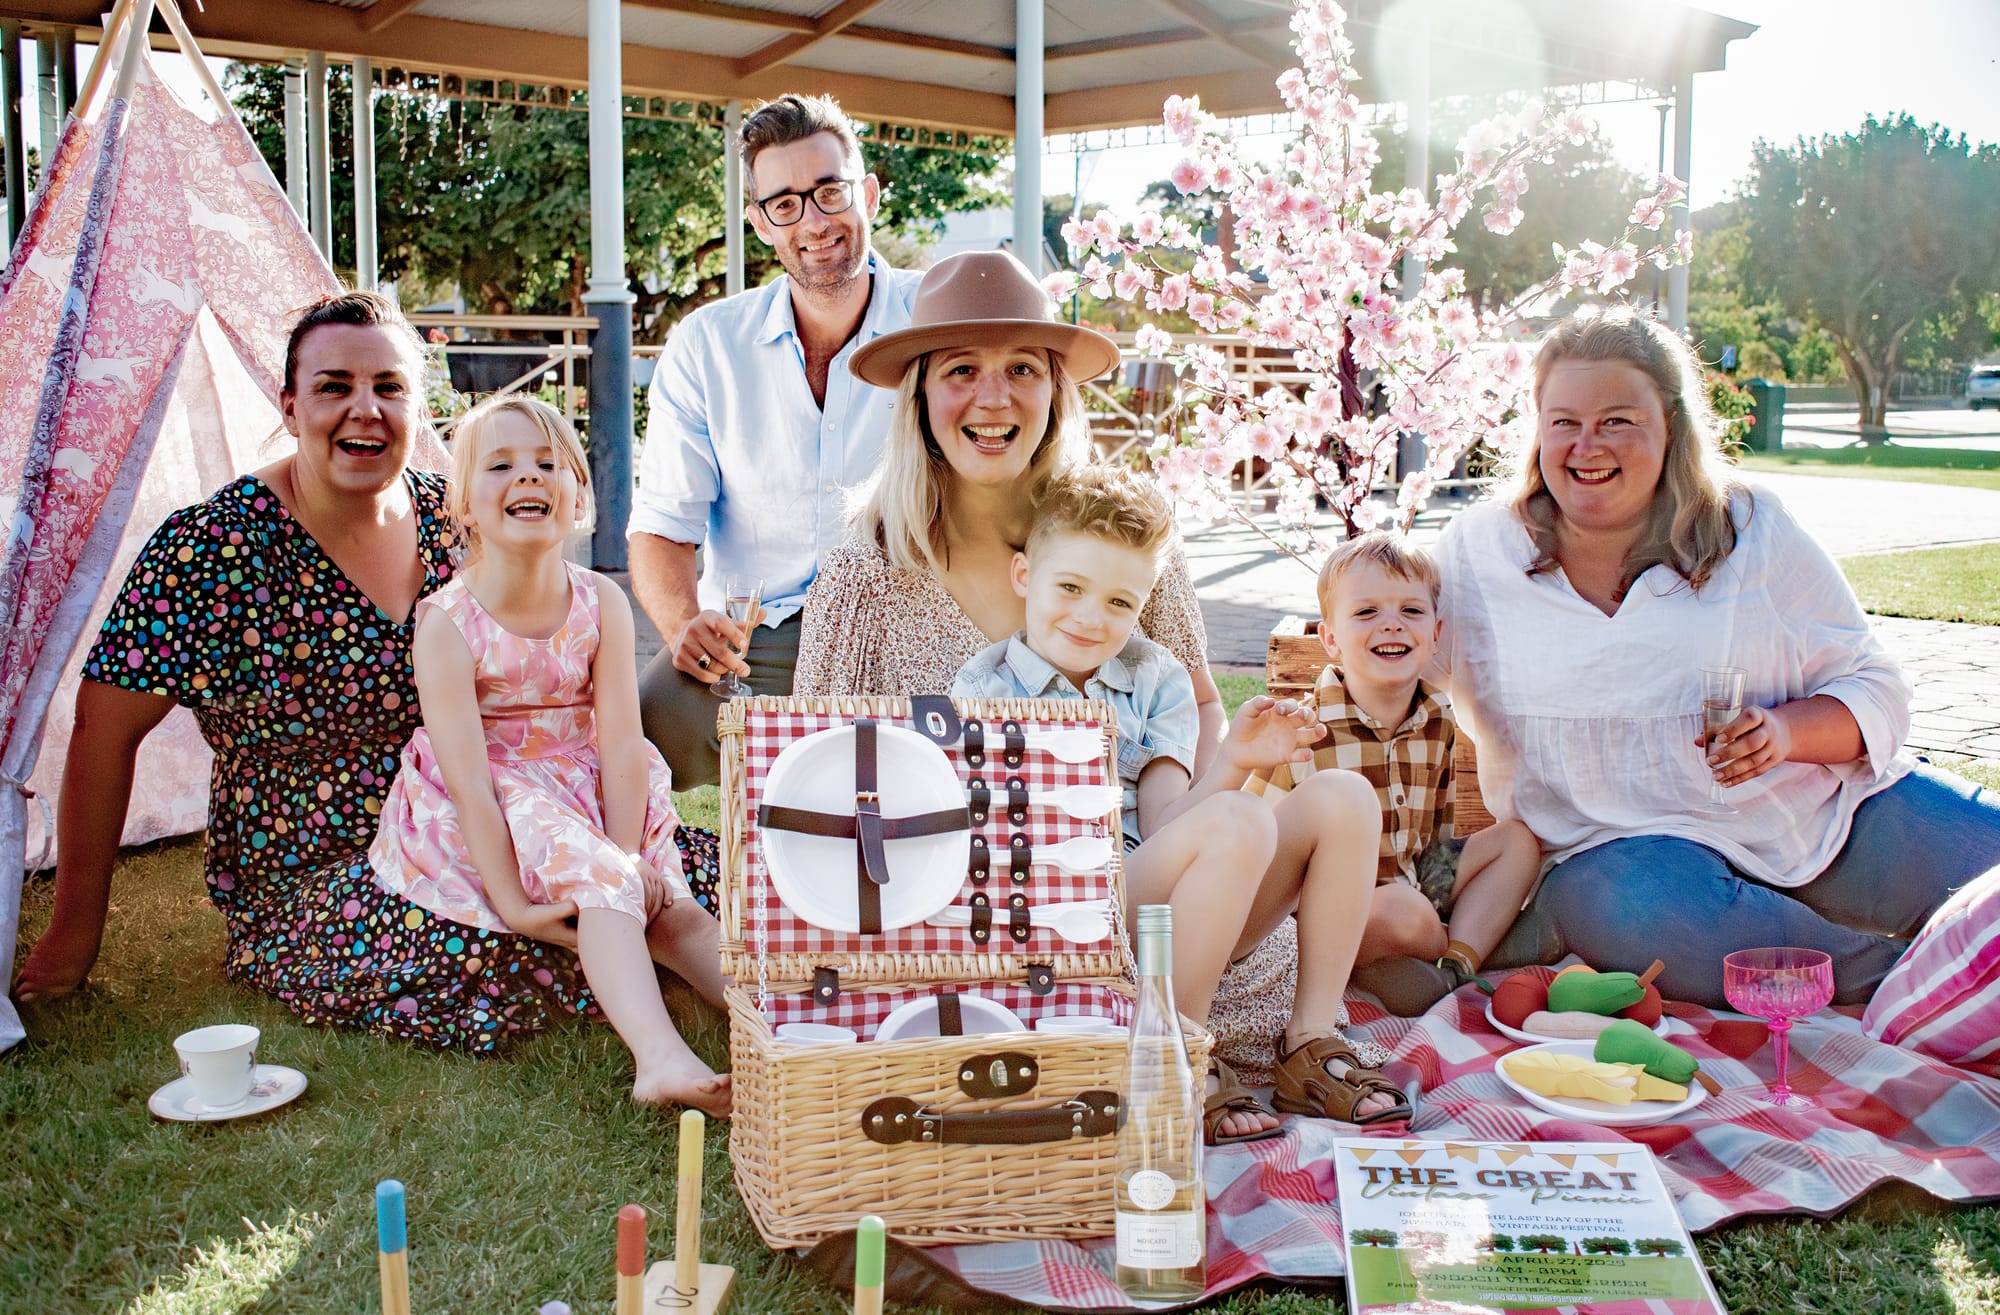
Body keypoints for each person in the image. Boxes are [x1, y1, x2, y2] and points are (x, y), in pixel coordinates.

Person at [14, 292, 717, 1053]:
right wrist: (72, 933)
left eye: (388, 388)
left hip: (496, 819)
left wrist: (603, 841)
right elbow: (102, 729)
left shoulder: (458, 521)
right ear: (289, 406)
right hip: (319, 865)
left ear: (418, 408)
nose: (365, 410)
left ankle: (674, 957)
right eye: (333, 387)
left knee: (696, 881)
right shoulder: (213, 546)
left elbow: (558, 648)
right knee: (495, 952)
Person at [1432, 305, 2000, 1007]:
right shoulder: (1479, 553)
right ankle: (1917, 988)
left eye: (1617, 419)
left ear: (1670, 425)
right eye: (1564, 421)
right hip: (1639, 869)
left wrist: (1786, 732)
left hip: (1825, 823)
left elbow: (1877, 687)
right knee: (1616, 904)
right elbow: (1395, 676)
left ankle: (1951, 982)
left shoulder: (1752, 526)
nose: (1586, 444)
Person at [952, 465, 1406, 1137]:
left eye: (1118, 602)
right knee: (1242, 816)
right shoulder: (982, 687)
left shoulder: (1154, 677)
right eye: (1070, 587)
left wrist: (1233, 761)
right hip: (1058, 911)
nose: (1089, 616)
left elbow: (1170, 823)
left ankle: (1308, 1040)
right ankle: (1179, 1056)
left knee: (1342, 795)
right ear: (1025, 577)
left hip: (1163, 900)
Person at [369, 397, 729, 1112]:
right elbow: (470, 780)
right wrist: (512, 901)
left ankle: (789, 1025)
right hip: (500, 793)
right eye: (500, 465)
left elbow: (624, 744)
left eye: (547, 464)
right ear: (464, 506)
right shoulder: (447, 622)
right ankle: (658, 1060)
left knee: (674, 905)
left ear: (577, 494)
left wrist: (625, 856)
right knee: (605, 885)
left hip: (592, 782)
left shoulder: (601, 602)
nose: (528, 477)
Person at [630, 93, 924, 788]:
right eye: (786, 204)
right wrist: (681, 626)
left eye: (829, 192)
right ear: (761, 222)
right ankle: (667, 887)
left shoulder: (932, 319)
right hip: (758, 637)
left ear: (869, 194)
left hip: (909, 626)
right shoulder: (708, 345)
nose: (814, 222)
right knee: (628, 744)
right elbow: (660, 528)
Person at [1245, 532, 1541, 1015]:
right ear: (1331, 639)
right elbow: (1261, 851)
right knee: (1405, 914)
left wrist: (1442, 887)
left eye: (1411, 611)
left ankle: (1454, 967)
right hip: (1320, 912)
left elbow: (1438, 835)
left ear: (1435, 632)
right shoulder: (1301, 728)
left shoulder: (1439, 718)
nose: (1391, 625)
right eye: (1366, 613)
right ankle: (1411, 955)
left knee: (1519, 842)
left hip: (1414, 878)